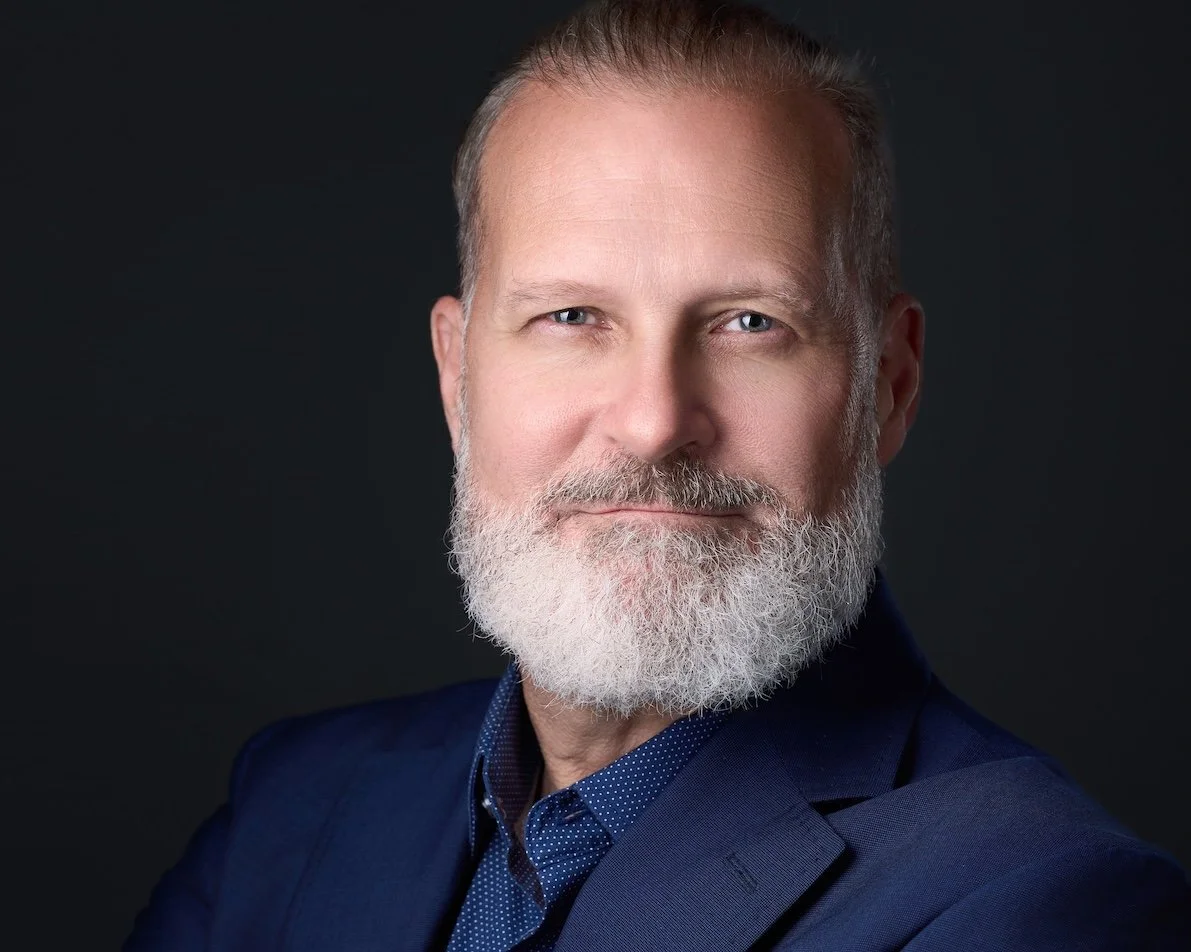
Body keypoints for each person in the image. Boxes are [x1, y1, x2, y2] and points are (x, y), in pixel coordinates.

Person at [125, 1, 1191, 948]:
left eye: (748, 323)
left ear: (891, 384)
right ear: (458, 377)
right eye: (572, 317)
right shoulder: (293, 808)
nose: (651, 422)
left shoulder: (1039, 903)